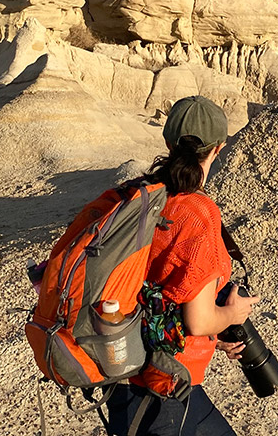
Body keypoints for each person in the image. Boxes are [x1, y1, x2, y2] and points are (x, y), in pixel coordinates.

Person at [104, 95, 259, 436]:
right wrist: (233, 314)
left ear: (168, 142)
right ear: (218, 149)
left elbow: (149, 293)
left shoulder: (139, 196)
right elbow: (199, 319)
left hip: (120, 367)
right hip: (164, 386)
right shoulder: (197, 214)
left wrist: (213, 340)